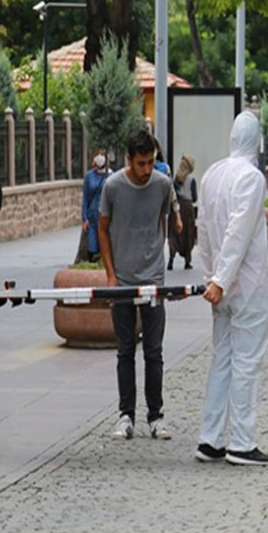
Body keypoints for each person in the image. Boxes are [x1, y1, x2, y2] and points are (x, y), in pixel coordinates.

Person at [195, 111, 268, 466]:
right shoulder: (252, 178)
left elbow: (203, 228)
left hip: (221, 289)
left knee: (222, 360)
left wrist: (211, 275)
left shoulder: (212, 174)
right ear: (257, 141)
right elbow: (239, 232)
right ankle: (241, 442)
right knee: (246, 362)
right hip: (247, 286)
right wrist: (221, 279)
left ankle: (210, 439)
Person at [98, 130, 172, 441]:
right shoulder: (112, 186)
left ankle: (156, 416)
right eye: (141, 163)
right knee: (125, 350)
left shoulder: (162, 184)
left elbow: (162, 222)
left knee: (153, 352)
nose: (146, 170)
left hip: (153, 279)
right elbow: (103, 229)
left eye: (151, 162)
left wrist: (159, 259)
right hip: (124, 280)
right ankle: (125, 414)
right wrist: (111, 276)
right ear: (129, 160)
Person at [169, 155, 198, 271]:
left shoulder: (176, 179)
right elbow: (194, 197)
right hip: (188, 207)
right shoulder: (191, 180)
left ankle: (171, 258)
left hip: (176, 207)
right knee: (188, 234)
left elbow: (173, 194)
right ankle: (187, 261)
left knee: (174, 233)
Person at [81, 149, 111, 262]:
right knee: (92, 244)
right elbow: (86, 198)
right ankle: (91, 262)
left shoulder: (110, 175)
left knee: (104, 243)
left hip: (105, 214)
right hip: (92, 215)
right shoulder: (89, 176)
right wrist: (84, 218)